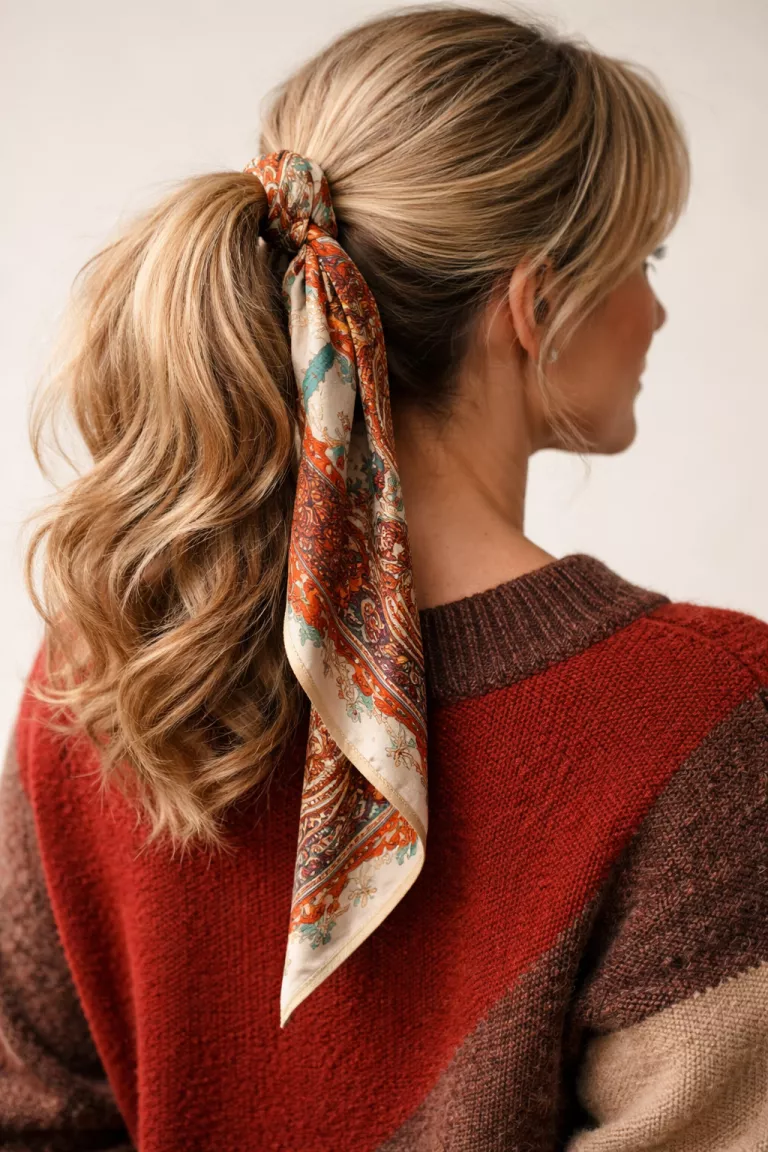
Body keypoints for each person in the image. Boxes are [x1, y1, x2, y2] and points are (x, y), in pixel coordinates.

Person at [2, 4, 766, 1150]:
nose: (656, 310)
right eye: (645, 258)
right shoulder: (700, 713)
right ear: (535, 301)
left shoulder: (121, 657)